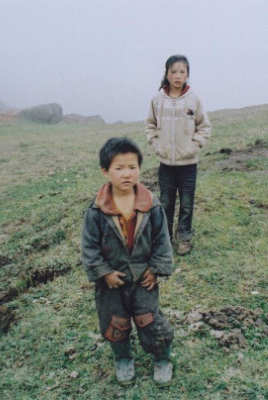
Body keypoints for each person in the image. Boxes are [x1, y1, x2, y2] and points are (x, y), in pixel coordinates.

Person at [80, 137, 174, 387]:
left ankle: (162, 358)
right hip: (112, 282)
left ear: (140, 169)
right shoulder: (96, 210)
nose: (126, 174)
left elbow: (162, 241)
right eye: (119, 168)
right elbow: (89, 247)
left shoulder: (152, 206)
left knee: (150, 320)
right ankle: (122, 358)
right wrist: (103, 272)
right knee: (115, 323)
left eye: (132, 167)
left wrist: (155, 269)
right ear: (105, 171)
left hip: (144, 279)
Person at [146, 55, 212, 255]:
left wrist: (194, 146)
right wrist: (156, 144)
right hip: (166, 164)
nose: (178, 76)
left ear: (187, 75)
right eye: (173, 71)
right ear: (166, 73)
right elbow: (150, 125)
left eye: (182, 72)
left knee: (186, 203)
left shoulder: (194, 99)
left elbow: (204, 127)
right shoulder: (157, 100)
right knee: (165, 202)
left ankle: (184, 237)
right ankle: (164, 239)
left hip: (188, 165)